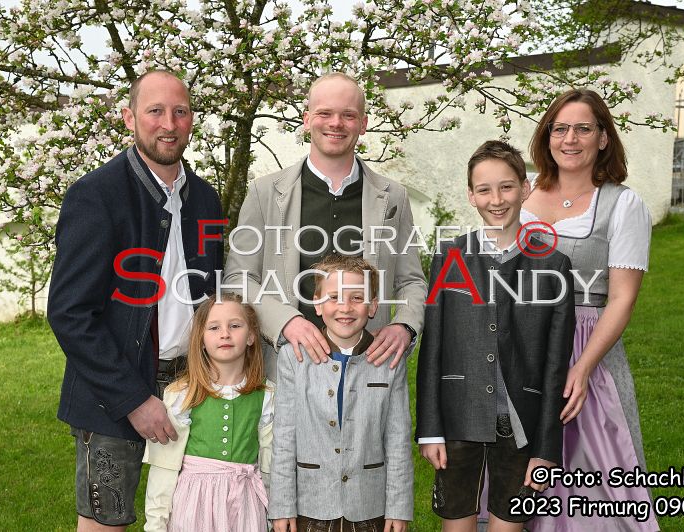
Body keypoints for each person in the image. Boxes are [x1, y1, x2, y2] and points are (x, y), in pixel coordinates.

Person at [47, 70, 224, 530]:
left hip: (192, 387)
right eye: (155, 111)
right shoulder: (95, 195)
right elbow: (69, 313)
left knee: (196, 517)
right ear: (129, 118)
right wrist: (133, 399)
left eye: (180, 112)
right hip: (112, 395)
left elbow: (214, 296)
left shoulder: (206, 200)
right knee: (106, 522)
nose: (169, 123)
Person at [223, 72, 426, 380]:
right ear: (307, 120)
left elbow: (411, 280)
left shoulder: (393, 197)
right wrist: (285, 322)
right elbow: (239, 278)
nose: (336, 123)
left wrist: (405, 325)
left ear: (363, 124)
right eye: (325, 113)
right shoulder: (264, 193)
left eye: (348, 115)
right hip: (287, 367)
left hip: (368, 369)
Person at [416, 140, 575, 532]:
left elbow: (556, 363)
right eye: (484, 189)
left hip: (521, 424)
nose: (497, 199)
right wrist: (429, 429)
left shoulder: (554, 265)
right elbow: (432, 349)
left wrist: (546, 447)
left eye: (506, 187)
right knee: (456, 523)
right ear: (471, 196)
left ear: (525, 188)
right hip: (459, 418)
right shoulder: (449, 256)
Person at [521, 88, 657, 531]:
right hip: (520, 343)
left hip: (585, 345)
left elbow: (622, 298)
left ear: (603, 138)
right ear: (547, 136)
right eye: (560, 128)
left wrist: (581, 368)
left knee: (591, 475)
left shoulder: (622, 204)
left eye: (583, 128)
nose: (570, 139)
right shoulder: (520, 194)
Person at [269, 254, 413, 532]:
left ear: (373, 306)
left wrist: (399, 508)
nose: (345, 307)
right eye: (334, 297)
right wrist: (282, 506)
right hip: (311, 505)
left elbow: (398, 440)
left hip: (369, 507)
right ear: (317, 304)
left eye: (357, 298)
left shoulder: (389, 361)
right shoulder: (293, 357)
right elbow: (284, 436)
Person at [143, 293, 274, 531]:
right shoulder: (183, 394)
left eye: (235, 326)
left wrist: (275, 512)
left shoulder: (266, 395)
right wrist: (156, 524)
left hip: (245, 503)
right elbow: (164, 466)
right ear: (201, 340)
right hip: (194, 504)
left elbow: (269, 462)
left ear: (251, 336)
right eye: (214, 327)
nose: (225, 334)